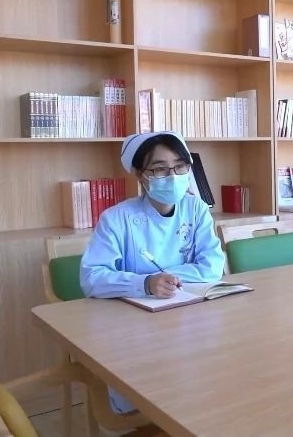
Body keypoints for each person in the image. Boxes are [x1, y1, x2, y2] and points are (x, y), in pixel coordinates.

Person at [80, 130, 225, 413]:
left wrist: (168, 278)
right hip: (134, 326)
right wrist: (145, 283)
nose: (172, 176)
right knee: (151, 393)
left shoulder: (195, 209)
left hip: (191, 317)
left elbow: (212, 266)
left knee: (207, 383)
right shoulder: (117, 218)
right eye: (159, 169)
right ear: (140, 175)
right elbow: (91, 277)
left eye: (179, 167)